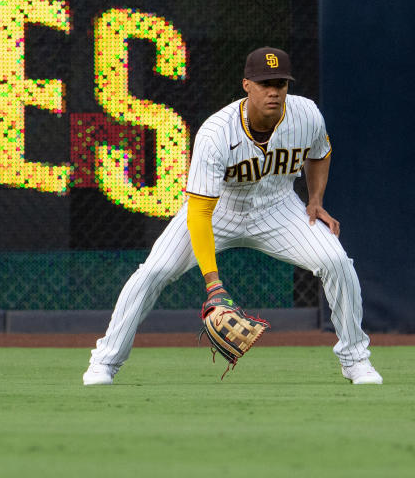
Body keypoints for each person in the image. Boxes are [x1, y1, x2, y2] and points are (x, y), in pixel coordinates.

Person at [83, 47, 382, 385]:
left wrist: (315, 200)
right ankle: (105, 361)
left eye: (280, 83)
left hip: (278, 207)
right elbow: (199, 212)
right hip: (218, 210)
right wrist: (214, 284)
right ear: (246, 85)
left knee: (337, 262)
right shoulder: (216, 133)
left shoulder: (306, 114)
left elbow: (320, 152)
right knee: (155, 271)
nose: (273, 91)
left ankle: (356, 359)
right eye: (264, 83)